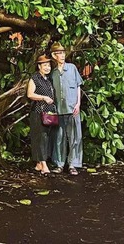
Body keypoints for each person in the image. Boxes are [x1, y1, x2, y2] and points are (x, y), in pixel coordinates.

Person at [49, 41, 84, 175]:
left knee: (75, 137)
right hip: (59, 110)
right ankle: (59, 164)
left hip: (72, 108)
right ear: (54, 55)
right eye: (59, 53)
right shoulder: (53, 73)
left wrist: (78, 104)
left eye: (63, 53)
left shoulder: (72, 68)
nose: (62, 56)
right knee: (59, 137)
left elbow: (78, 86)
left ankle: (73, 164)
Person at [26, 54, 57, 175]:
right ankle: (44, 164)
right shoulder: (35, 78)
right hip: (38, 112)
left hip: (48, 113)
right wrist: (43, 97)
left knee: (46, 138)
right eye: (44, 65)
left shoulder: (48, 80)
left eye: (48, 65)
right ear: (39, 66)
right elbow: (30, 94)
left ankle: (39, 163)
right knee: (41, 138)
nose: (47, 67)